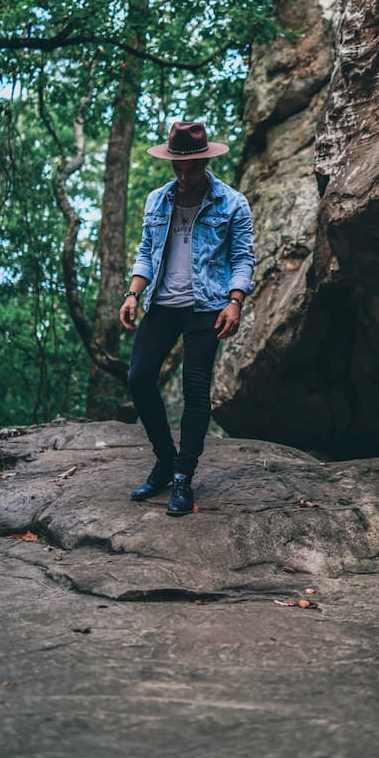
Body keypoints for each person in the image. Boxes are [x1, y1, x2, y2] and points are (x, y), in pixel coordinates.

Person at [119, 120, 255, 516]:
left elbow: (243, 257)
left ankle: (183, 477)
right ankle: (165, 460)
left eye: (192, 168)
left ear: (205, 161)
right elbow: (147, 250)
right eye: (178, 168)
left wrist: (235, 300)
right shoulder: (157, 200)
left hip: (207, 306)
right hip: (162, 304)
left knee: (196, 391)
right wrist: (133, 292)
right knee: (139, 377)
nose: (184, 176)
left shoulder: (232, 203)